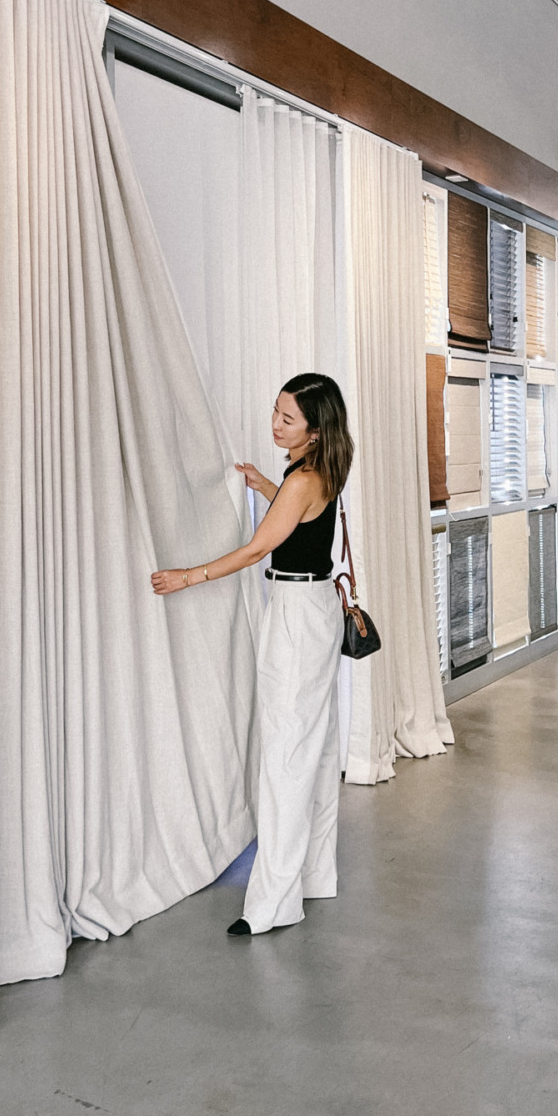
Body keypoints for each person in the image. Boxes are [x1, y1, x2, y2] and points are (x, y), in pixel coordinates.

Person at [151, 372, 354, 936]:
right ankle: (313, 875)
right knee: (311, 748)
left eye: (287, 419)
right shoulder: (322, 468)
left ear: (314, 432)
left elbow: (260, 546)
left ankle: (271, 903)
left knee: (287, 755)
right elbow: (301, 521)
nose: (275, 423)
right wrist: (268, 485)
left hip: (295, 613)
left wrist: (188, 576)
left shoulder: (301, 479)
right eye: (276, 411)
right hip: (315, 608)